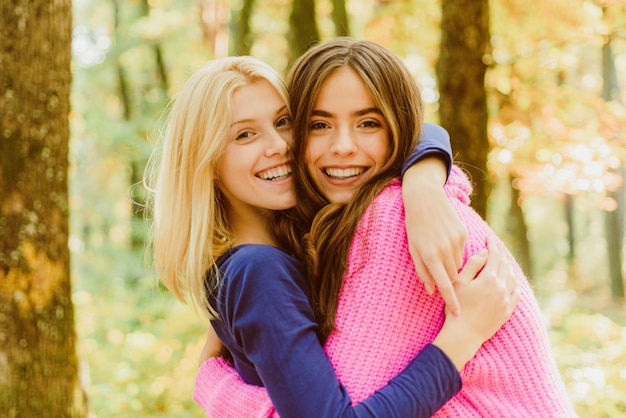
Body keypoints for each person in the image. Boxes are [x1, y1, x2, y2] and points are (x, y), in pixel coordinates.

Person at [194, 38, 577, 417]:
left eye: (369, 123)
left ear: (398, 130)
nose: (343, 146)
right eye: (319, 124)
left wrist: (214, 385)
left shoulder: (391, 219)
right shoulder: (329, 227)